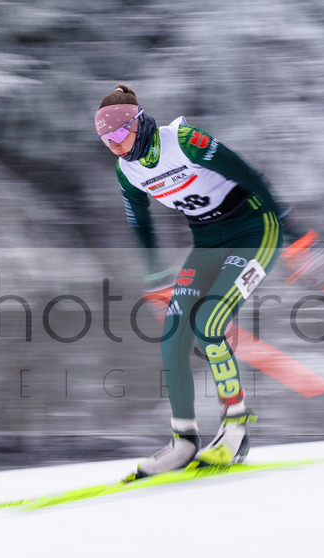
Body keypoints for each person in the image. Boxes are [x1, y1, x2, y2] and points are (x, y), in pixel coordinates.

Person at [95, 84, 297, 477]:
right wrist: (156, 277)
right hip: (207, 241)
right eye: (106, 140)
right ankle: (184, 442)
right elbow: (139, 220)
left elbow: (252, 177)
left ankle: (236, 429)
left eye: (120, 134)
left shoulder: (185, 142)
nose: (115, 146)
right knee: (173, 336)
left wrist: (294, 230)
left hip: (256, 231)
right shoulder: (128, 170)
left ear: (140, 123)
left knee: (207, 323)